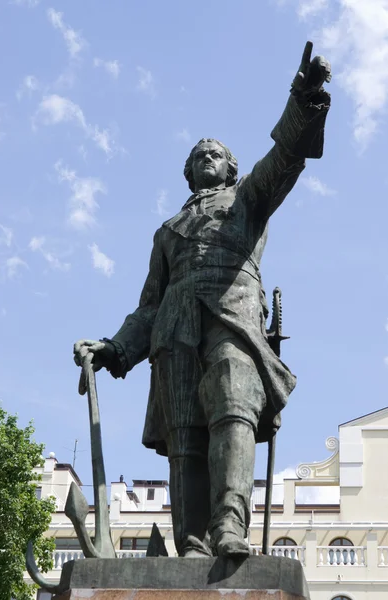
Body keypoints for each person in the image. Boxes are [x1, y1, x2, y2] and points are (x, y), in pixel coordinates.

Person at [74, 42, 331, 559]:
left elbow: (286, 158)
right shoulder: (167, 230)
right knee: (185, 437)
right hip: (173, 331)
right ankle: (192, 543)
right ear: (188, 173)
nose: (206, 158)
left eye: (215, 153)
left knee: (234, 410)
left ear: (231, 169)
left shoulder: (248, 200)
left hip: (231, 318)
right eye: (198, 156)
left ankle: (228, 530)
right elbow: (149, 304)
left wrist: (303, 100)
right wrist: (115, 348)